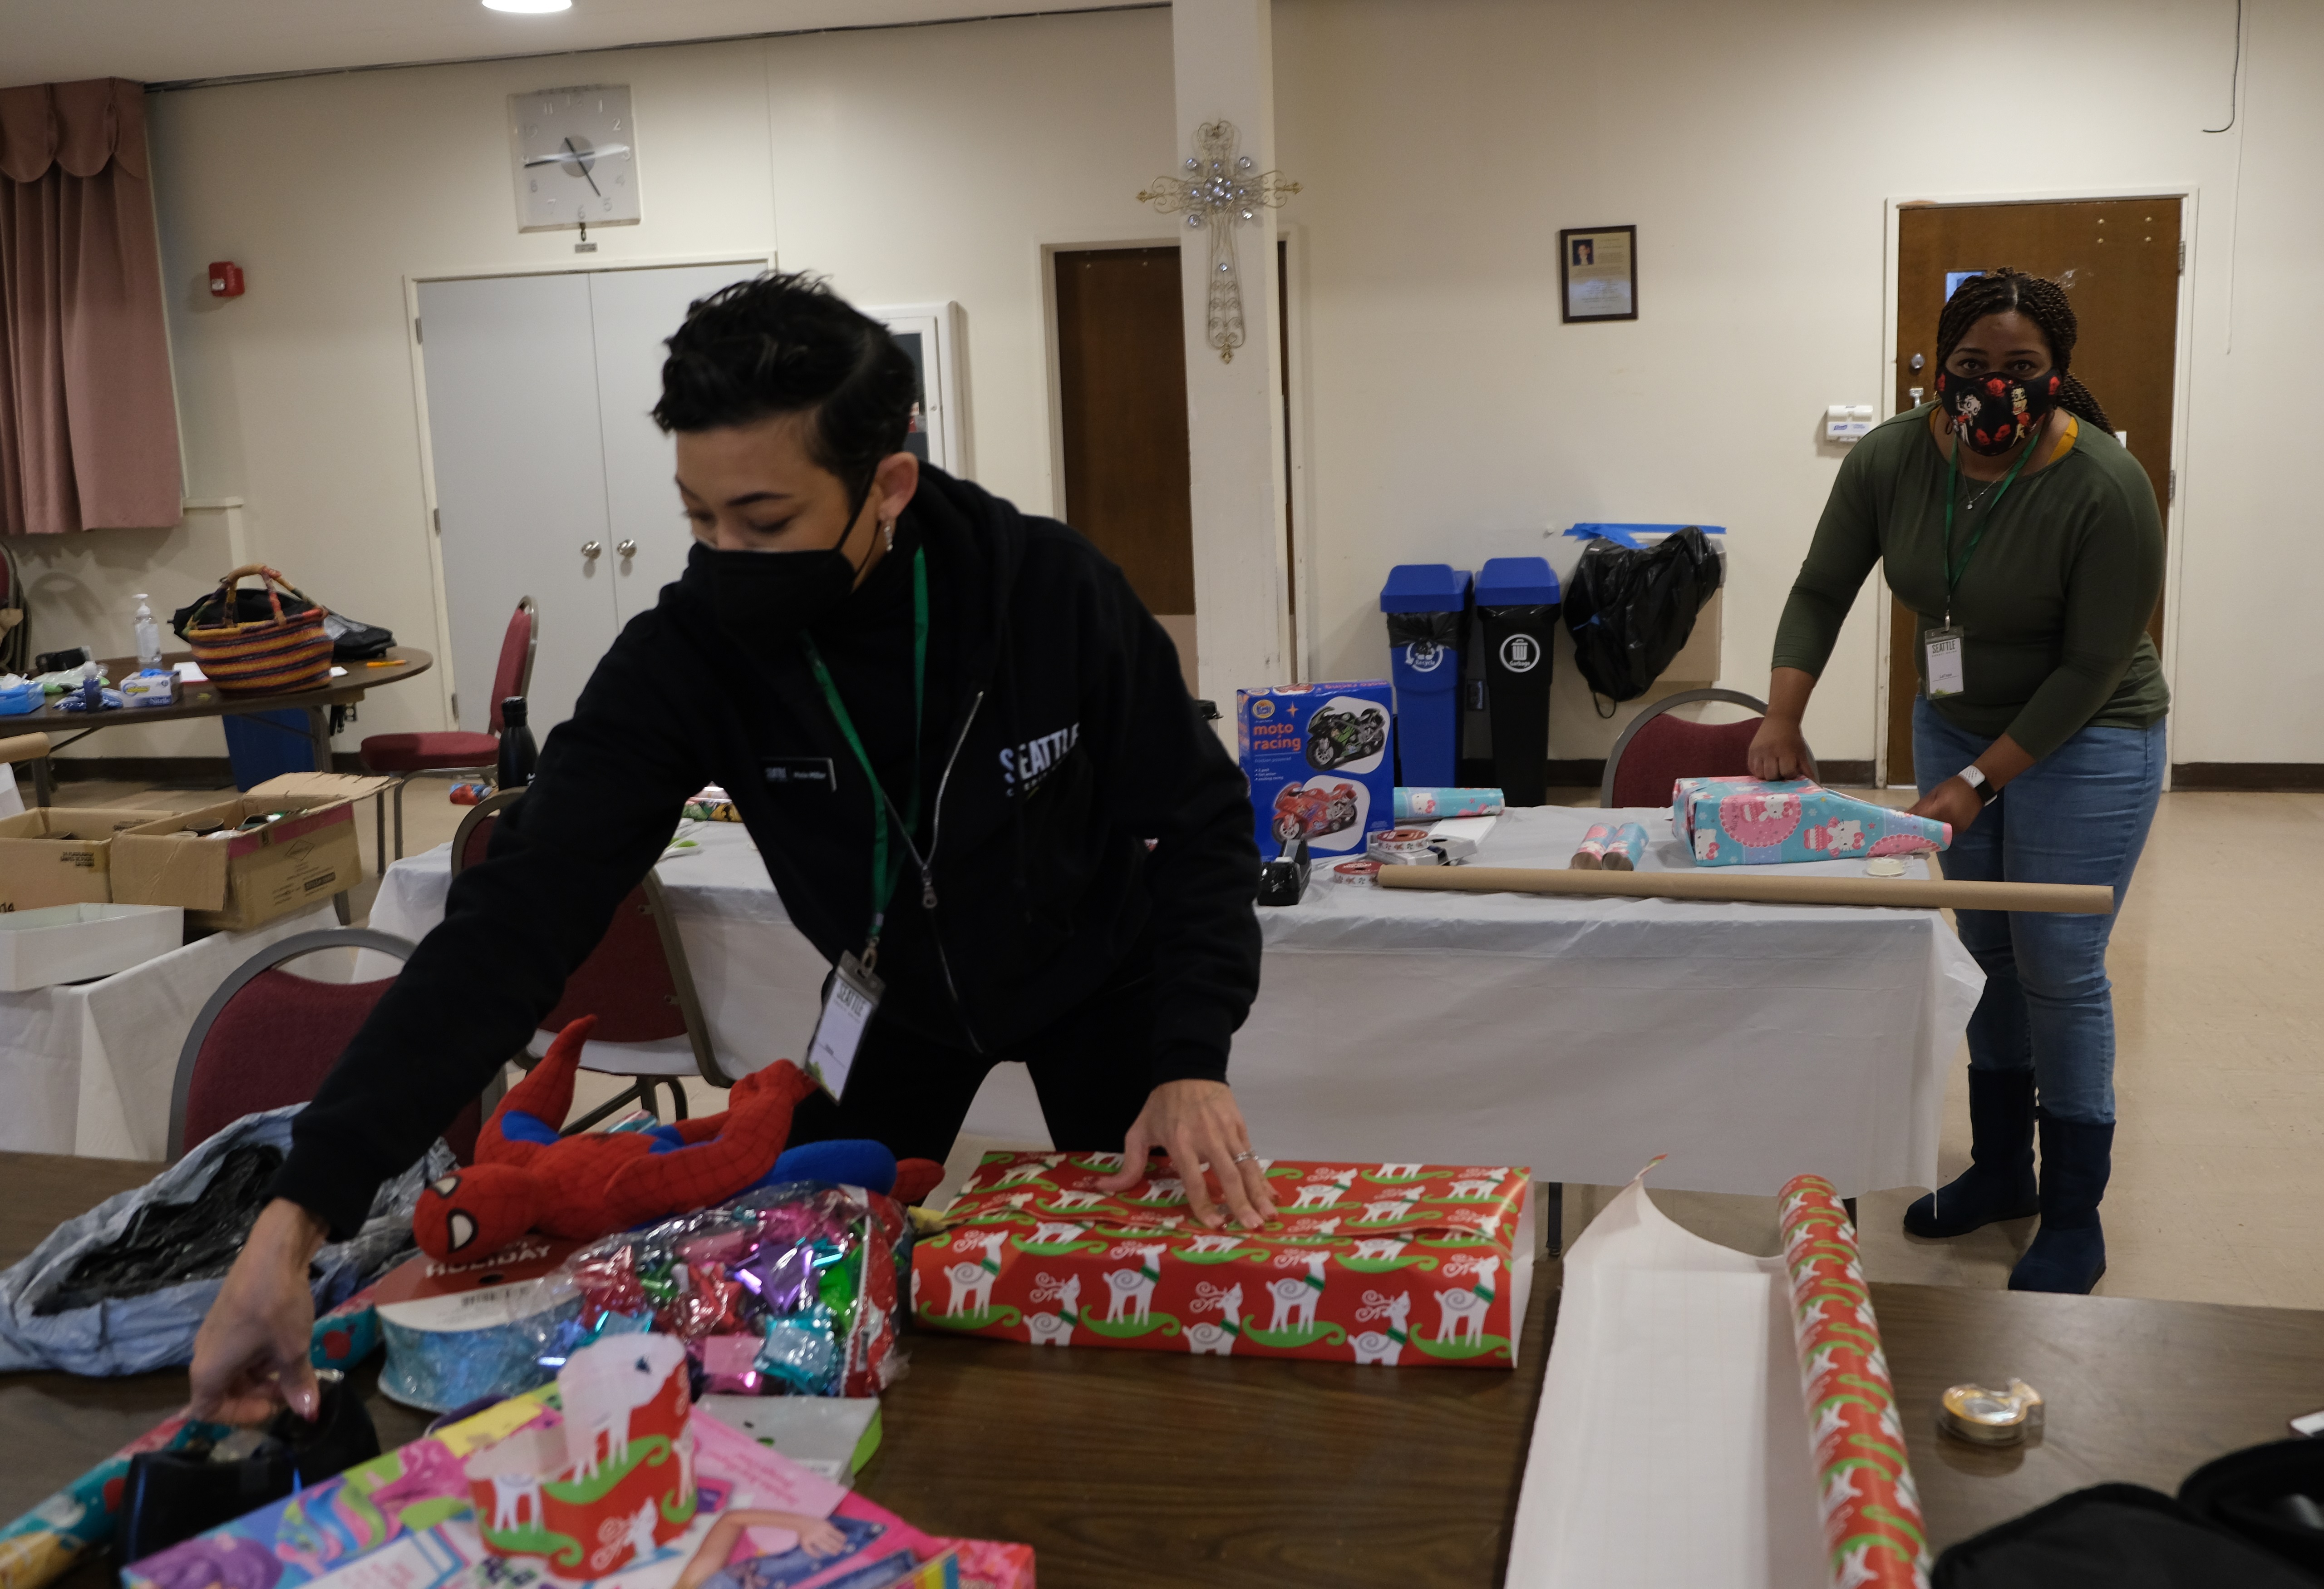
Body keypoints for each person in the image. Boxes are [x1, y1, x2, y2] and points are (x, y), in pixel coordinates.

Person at [188, 273, 1274, 1422]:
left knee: (1152, 1316)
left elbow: (1201, 817)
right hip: (890, 999)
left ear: (887, 486)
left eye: (764, 524)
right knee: (806, 1305)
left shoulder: (1051, 593)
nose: (724, 556)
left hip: (1100, 979)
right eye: (699, 519)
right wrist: (296, 1217)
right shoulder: (689, 654)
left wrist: (1190, 1054)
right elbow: (514, 922)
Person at [1751, 268, 2166, 1295]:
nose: (1992, 387)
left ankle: (2073, 1213)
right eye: (1972, 366)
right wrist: (1782, 715)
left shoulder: (2106, 484)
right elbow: (1820, 588)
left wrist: (1981, 780)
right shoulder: (1894, 457)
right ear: (1940, 367)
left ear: (2057, 373)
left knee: (2057, 958)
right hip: (1955, 722)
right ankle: (1999, 1171)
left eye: (2020, 369)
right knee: (1980, 943)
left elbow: (2091, 665)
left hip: (2092, 731)